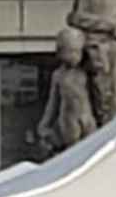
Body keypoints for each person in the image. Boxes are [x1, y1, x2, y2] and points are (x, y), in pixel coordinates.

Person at [34, 27, 99, 156]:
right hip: (68, 119)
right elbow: (53, 103)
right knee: (73, 153)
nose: (73, 56)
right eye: (69, 52)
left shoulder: (87, 72)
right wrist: (44, 124)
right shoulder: (58, 75)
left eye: (76, 52)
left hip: (87, 118)